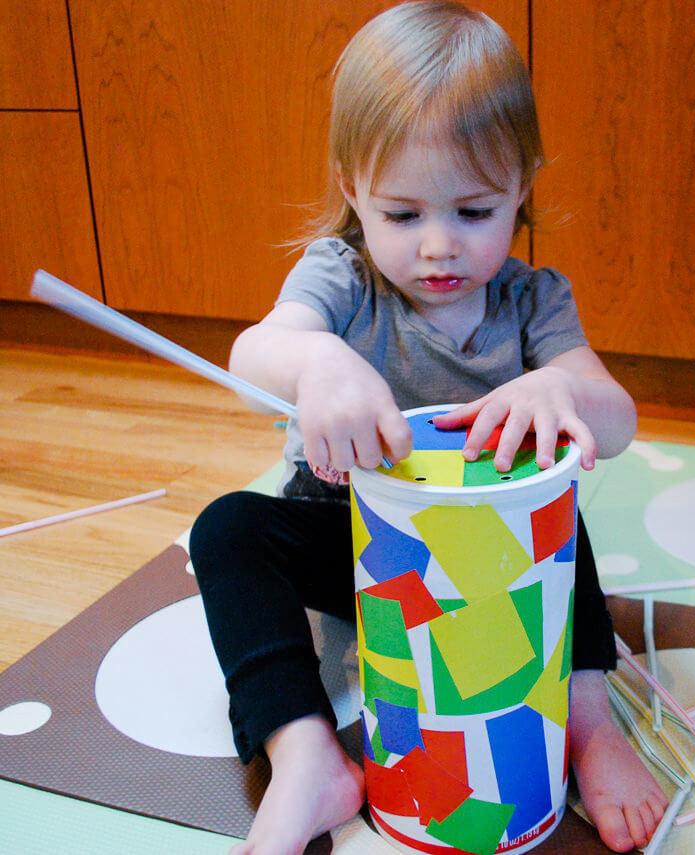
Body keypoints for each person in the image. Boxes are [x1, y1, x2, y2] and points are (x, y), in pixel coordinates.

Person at [189, 2, 669, 853]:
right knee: (225, 528)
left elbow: (617, 414)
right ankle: (305, 756)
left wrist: (559, 388)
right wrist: (315, 363)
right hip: (356, 545)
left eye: (474, 212)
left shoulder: (532, 303)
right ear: (352, 189)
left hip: (490, 564)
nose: (438, 247)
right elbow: (255, 350)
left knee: (564, 514)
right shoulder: (341, 275)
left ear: (522, 185)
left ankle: (590, 726)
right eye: (404, 215)